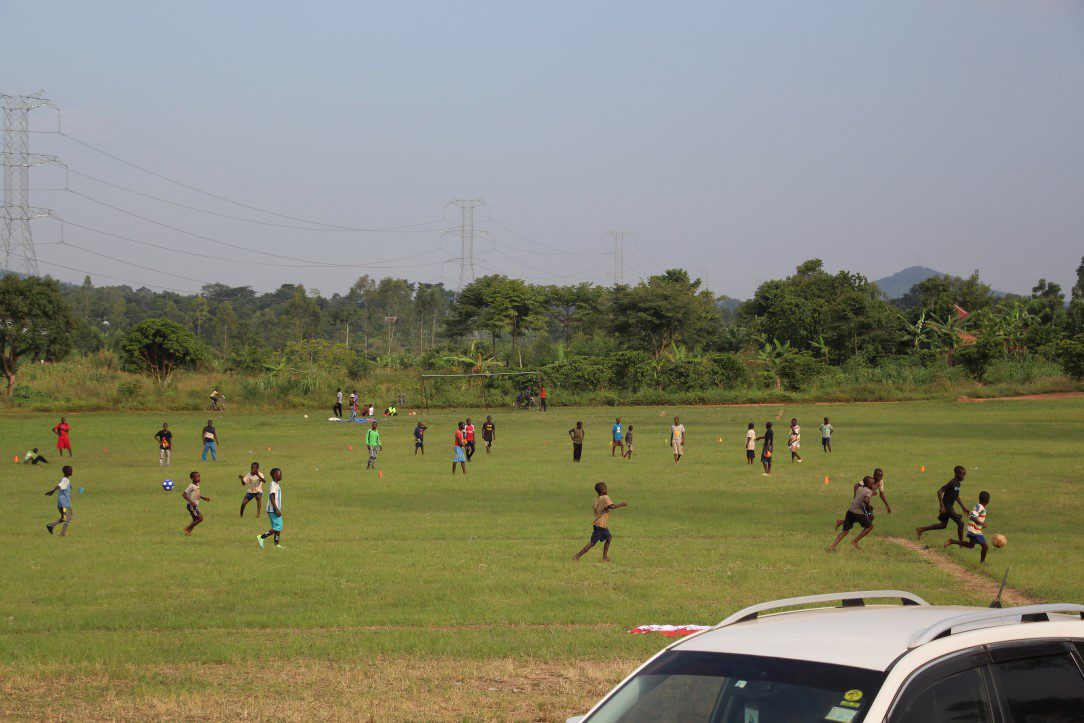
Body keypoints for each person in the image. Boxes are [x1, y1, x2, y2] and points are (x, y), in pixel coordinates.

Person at [572, 482, 628, 562]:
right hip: (600, 525)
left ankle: (605, 557)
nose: (607, 489)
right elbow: (611, 506)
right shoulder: (605, 497)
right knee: (592, 543)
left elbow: (595, 510)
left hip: (599, 524)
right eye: (606, 488)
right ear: (603, 490)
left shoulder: (597, 499)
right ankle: (577, 556)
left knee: (609, 538)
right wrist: (621, 504)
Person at [916, 466, 969, 542]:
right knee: (961, 523)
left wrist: (963, 507)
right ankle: (961, 543)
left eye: (964, 474)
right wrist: (942, 506)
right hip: (947, 507)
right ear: (956, 473)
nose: (963, 476)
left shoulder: (958, 484)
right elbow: (939, 491)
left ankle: (921, 529)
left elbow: (956, 496)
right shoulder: (952, 482)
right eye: (961, 474)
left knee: (943, 525)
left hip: (949, 506)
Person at [828, 476, 876, 551]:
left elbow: (860, 497)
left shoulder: (860, 488)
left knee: (845, 531)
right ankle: (855, 541)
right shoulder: (869, 491)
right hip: (858, 512)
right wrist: (869, 508)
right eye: (873, 484)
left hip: (850, 511)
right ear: (869, 484)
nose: (874, 485)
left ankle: (832, 546)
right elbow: (866, 500)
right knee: (870, 526)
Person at [946, 491, 991, 563]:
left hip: (971, 529)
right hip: (974, 531)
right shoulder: (980, 508)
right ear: (988, 501)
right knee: (985, 546)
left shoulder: (978, 506)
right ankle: (982, 562)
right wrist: (981, 524)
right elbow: (972, 517)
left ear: (979, 498)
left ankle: (952, 541)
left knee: (971, 545)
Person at [258, 468, 285, 549]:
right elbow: (271, 496)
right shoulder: (273, 485)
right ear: (274, 475)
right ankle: (261, 537)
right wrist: (276, 509)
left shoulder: (276, 484)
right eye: (279, 474)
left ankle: (276, 544)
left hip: (275, 509)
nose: (281, 476)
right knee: (279, 526)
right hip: (273, 509)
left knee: (277, 527)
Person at [44, 465, 74, 536]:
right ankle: (62, 534)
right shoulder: (65, 480)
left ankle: (50, 526)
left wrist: (69, 486)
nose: (72, 471)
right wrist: (52, 490)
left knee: (65, 517)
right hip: (64, 502)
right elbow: (59, 486)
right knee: (68, 517)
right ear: (68, 472)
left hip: (63, 502)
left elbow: (62, 486)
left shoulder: (65, 479)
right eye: (70, 470)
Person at [182, 471, 210, 536]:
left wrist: (203, 498)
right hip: (192, 506)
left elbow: (197, 494)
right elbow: (184, 494)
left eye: (199, 476)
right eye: (196, 477)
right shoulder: (191, 486)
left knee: (195, 519)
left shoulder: (197, 484)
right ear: (192, 478)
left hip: (194, 505)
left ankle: (188, 532)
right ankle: (187, 529)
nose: (198, 478)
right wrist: (191, 502)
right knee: (200, 519)